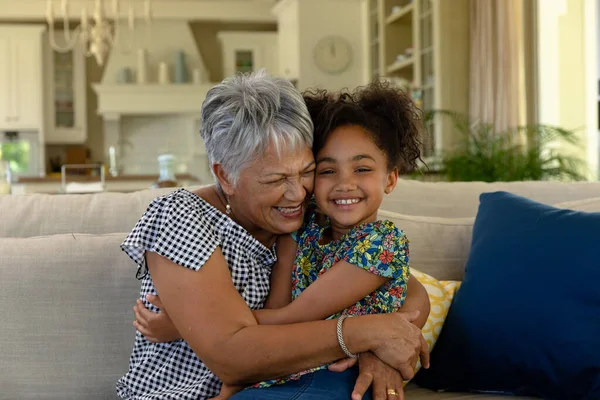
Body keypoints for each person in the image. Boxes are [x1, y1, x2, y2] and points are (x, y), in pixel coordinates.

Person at [119, 70, 430, 400]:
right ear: (225, 176)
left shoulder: (306, 218)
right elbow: (233, 356)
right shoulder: (182, 218)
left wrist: (384, 345)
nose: (297, 193)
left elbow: (402, 283)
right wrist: (363, 333)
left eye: (307, 171)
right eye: (274, 180)